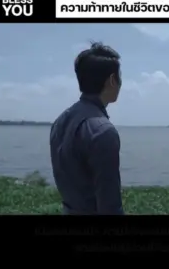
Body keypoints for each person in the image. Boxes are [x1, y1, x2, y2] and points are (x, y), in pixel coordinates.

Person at [50, 42, 124, 215]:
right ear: (113, 80)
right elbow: (110, 205)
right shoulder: (103, 130)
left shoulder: (60, 121)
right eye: (120, 76)